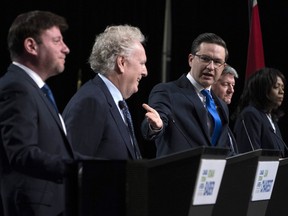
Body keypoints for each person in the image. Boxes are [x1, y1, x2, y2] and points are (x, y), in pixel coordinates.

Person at [0, 10, 78, 216]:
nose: (66, 49)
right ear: (31, 46)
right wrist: (76, 168)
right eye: (57, 41)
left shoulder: (35, 89)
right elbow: (21, 153)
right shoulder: (16, 87)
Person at [141, 32, 236, 157]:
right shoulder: (167, 92)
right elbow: (154, 124)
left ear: (223, 67)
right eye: (205, 59)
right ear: (191, 60)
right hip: (179, 174)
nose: (211, 67)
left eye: (217, 62)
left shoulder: (222, 105)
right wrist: (156, 126)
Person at [62, 25, 148, 160]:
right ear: (121, 63)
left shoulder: (115, 102)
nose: (145, 72)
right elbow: (76, 166)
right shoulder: (91, 102)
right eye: (142, 63)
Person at [233, 67, 287, 157]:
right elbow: (250, 155)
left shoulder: (271, 118)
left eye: (283, 88)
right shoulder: (250, 114)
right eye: (276, 87)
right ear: (262, 89)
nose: (281, 92)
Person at [212, 64, 239, 154]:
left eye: (233, 85)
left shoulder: (222, 113)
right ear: (211, 84)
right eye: (225, 84)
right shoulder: (207, 114)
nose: (231, 90)